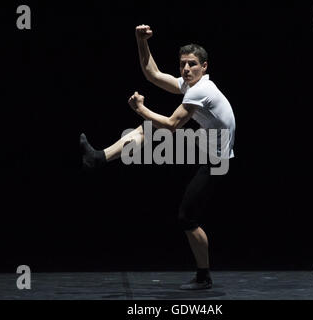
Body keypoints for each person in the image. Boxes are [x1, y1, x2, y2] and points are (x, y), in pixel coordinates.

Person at [80, 24, 236, 290]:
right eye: (183, 64)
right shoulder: (189, 85)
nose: (186, 69)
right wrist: (141, 41)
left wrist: (141, 108)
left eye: (192, 65)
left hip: (216, 161)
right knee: (148, 130)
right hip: (205, 145)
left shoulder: (201, 90)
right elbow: (152, 73)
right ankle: (99, 158)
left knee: (187, 218)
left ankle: (204, 276)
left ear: (204, 67)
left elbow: (174, 125)